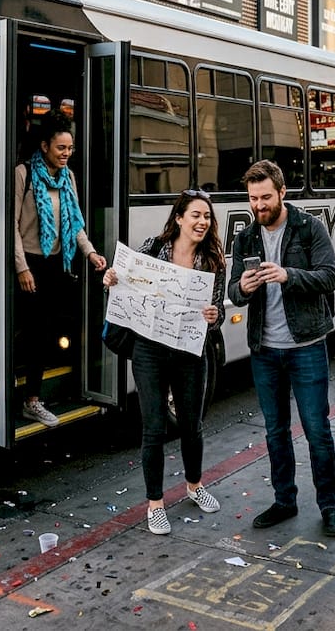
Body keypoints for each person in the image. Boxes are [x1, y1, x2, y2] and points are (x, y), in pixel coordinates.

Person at [228, 160, 335, 538]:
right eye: (253, 199)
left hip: (306, 346)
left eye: (265, 197)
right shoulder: (245, 238)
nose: (259, 205)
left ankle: (329, 505)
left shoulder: (309, 228)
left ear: (282, 193)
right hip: (265, 349)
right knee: (276, 431)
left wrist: (288, 275)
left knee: (316, 430)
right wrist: (243, 288)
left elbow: (329, 277)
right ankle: (284, 500)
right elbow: (233, 291)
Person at [102, 190, 225, 534]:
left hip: (189, 351)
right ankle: (155, 504)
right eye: (196, 215)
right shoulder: (153, 250)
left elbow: (218, 314)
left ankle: (194, 485)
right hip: (149, 351)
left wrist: (214, 316)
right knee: (154, 428)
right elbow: (122, 284)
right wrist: (110, 280)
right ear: (179, 218)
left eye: (207, 217)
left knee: (192, 425)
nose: (202, 222)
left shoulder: (213, 261)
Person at [13, 113, 107, 426]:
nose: (66, 153)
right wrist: (22, 268)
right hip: (30, 262)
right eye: (60, 148)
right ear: (44, 146)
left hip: (57, 262)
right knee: (35, 333)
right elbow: (10, 226)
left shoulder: (68, 178)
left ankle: (30, 390)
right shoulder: (23, 174)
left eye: (70, 148)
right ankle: (31, 400)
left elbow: (76, 223)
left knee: (48, 329)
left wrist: (91, 253)